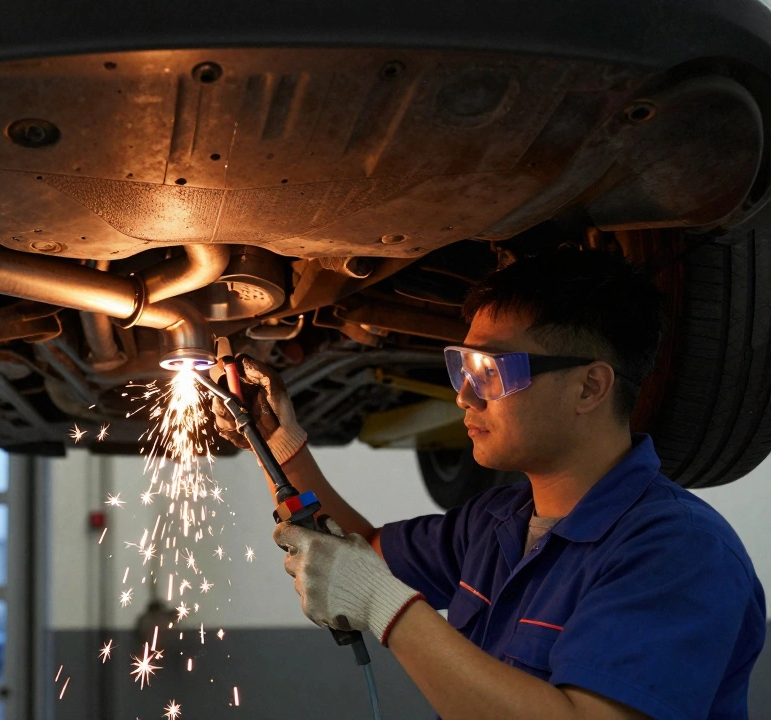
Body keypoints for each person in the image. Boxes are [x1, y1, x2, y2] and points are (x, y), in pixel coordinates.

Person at [213, 248, 765, 719]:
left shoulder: (679, 552)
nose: (464, 396)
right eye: (463, 368)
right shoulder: (498, 522)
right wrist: (279, 445)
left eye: (492, 372)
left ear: (590, 387)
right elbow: (359, 552)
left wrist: (389, 608)